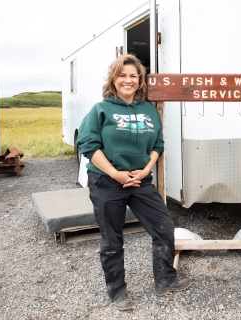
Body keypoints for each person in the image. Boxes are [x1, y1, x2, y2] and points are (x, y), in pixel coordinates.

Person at [76, 54, 191, 311]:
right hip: (107, 181)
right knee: (112, 239)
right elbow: (89, 146)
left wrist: (145, 170)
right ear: (114, 79)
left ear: (139, 80)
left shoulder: (149, 109)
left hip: (140, 180)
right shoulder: (101, 110)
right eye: (122, 75)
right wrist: (115, 174)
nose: (127, 80)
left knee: (164, 227)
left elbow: (158, 145)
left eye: (133, 76)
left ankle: (165, 281)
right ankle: (117, 291)